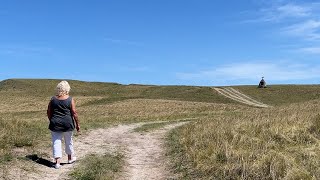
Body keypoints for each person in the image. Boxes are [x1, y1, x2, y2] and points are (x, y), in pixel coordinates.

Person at [47, 80, 80, 169]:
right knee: (69, 141)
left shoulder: (53, 99)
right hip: (68, 123)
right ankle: (70, 158)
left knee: (56, 142)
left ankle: (57, 162)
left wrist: (52, 120)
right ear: (67, 89)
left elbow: (49, 112)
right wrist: (77, 124)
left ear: (58, 88)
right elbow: (74, 113)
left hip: (55, 123)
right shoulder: (70, 99)